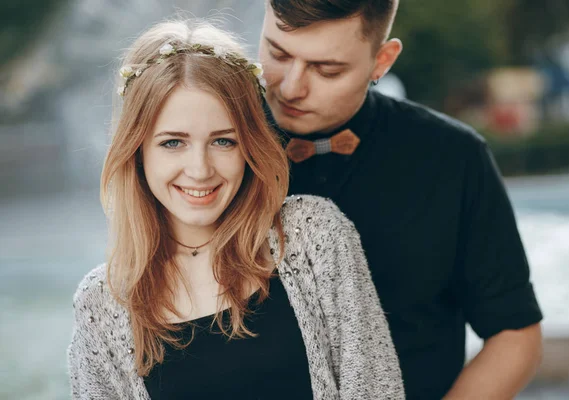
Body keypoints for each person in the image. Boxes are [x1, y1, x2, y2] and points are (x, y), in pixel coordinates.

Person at [67, 19, 404, 400]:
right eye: (173, 142)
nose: (200, 170)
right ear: (138, 151)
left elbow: (378, 389)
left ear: (249, 146)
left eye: (223, 141)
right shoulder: (103, 301)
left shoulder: (314, 236)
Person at [257, 1, 544, 399]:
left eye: (327, 69)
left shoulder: (454, 157)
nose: (290, 87)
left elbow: (515, 333)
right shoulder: (205, 149)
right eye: (278, 53)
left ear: (382, 61)